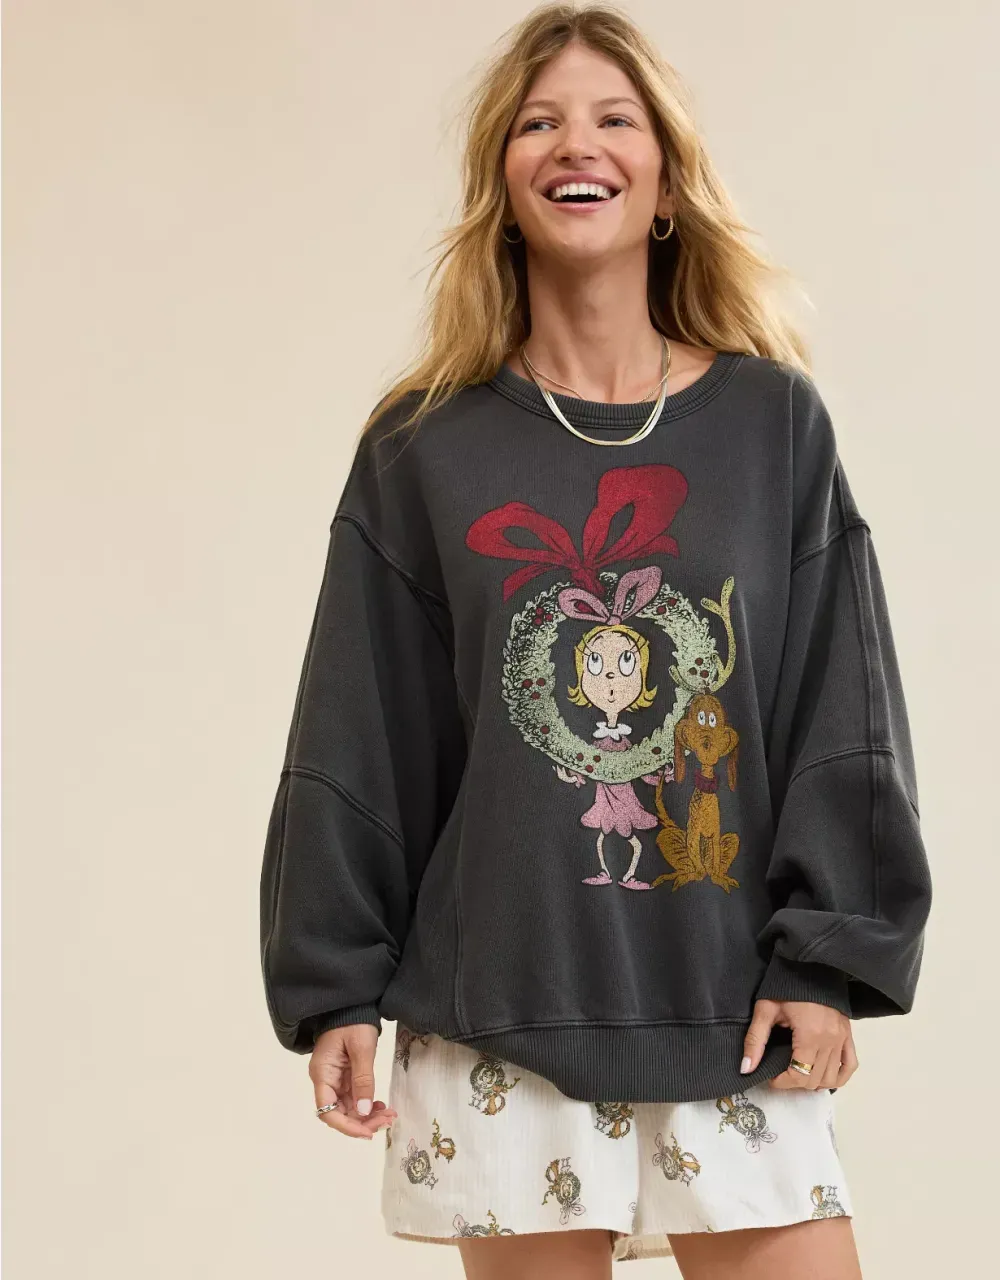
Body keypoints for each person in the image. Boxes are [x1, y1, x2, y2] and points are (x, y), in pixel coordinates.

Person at [258, 5, 932, 1278]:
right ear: (503, 182)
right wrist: (332, 978)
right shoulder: (424, 443)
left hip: (732, 1005)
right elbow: (359, 720)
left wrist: (829, 954)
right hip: (500, 1012)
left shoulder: (772, 425)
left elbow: (840, 706)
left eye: (614, 118)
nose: (578, 143)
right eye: (540, 121)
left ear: (665, 182)